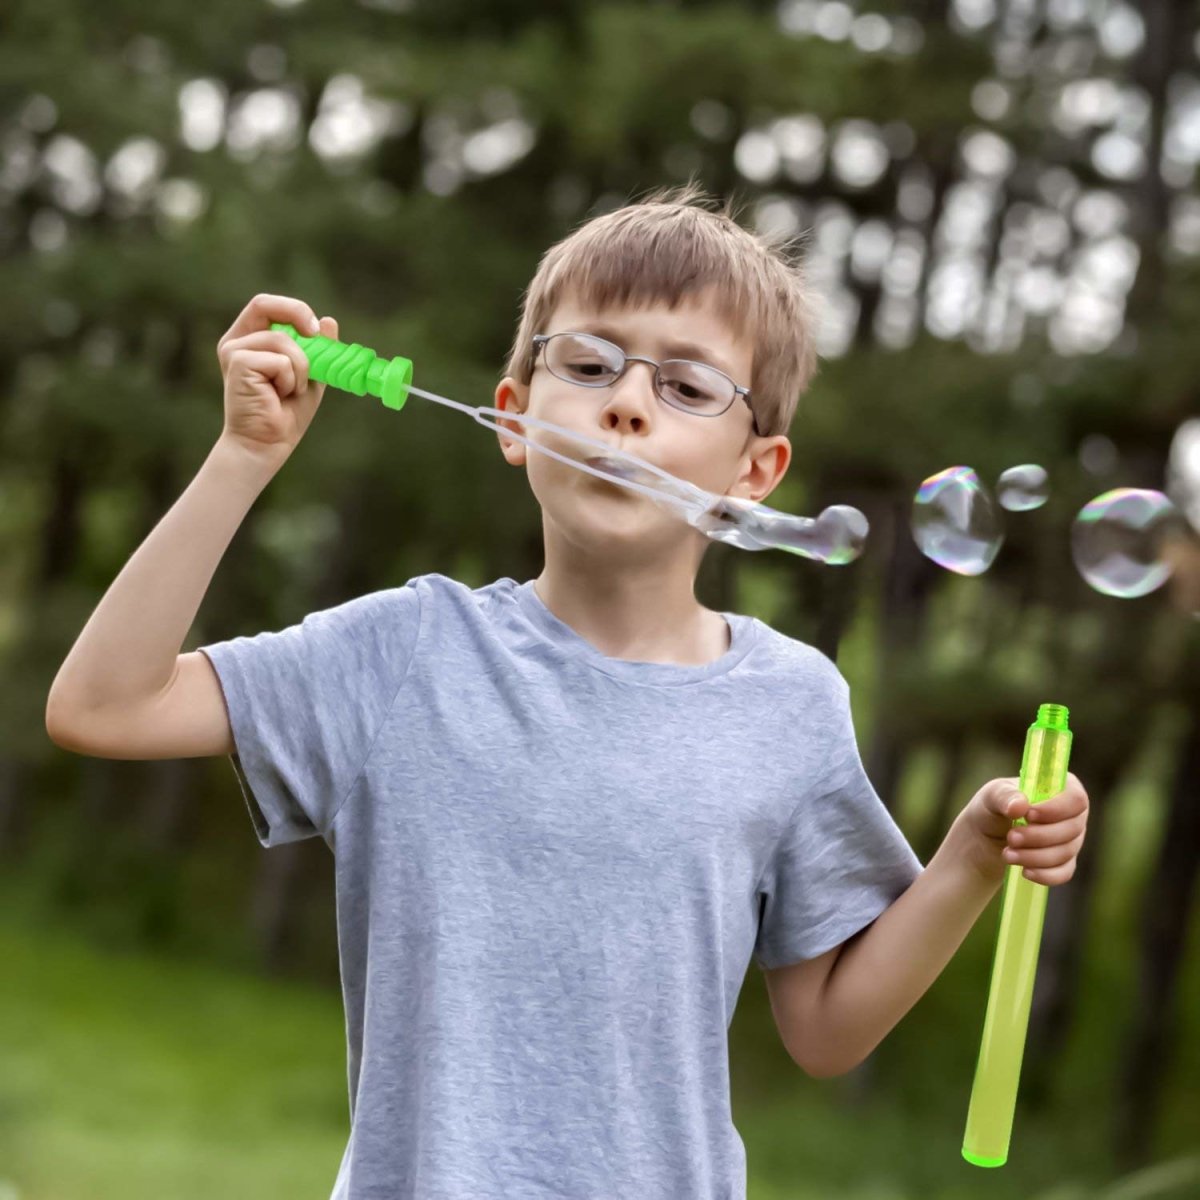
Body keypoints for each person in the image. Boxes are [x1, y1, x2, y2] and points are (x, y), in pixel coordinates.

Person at [45, 182, 927, 1199]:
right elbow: (101, 706)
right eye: (590, 365)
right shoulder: (409, 652)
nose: (627, 402)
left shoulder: (791, 702)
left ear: (756, 470)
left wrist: (977, 860)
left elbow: (825, 1031)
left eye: (688, 388)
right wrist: (244, 458)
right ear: (512, 419)